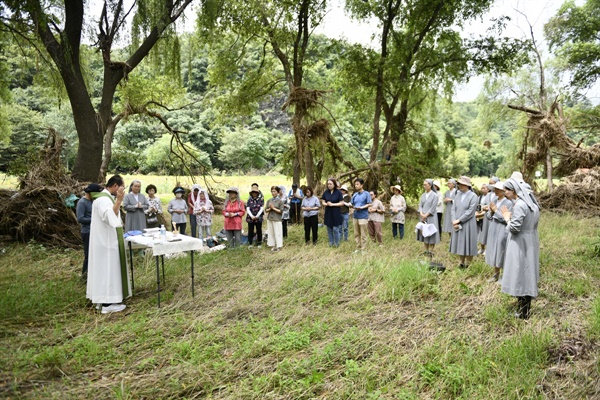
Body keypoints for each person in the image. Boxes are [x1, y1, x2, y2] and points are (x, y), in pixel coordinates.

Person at [86, 174, 130, 314]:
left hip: (105, 240)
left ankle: (106, 300)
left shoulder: (103, 198)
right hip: (106, 242)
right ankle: (107, 303)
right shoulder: (104, 199)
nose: (122, 190)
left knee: (106, 271)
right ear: (116, 186)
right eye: (122, 187)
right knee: (108, 271)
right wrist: (119, 200)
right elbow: (109, 216)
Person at [500, 174, 540, 319]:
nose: (505, 193)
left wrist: (506, 218)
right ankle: (523, 309)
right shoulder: (532, 204)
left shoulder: (520, 205)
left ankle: (523, 313)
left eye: (506, 190)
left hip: (520, 243)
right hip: (530, 240)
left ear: (514, 190)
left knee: (520, 273)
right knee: (526, 274)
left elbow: (515, 228)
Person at [484, 181, 513, 282]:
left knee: (501, 250)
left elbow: (506, 218)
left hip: (502, 228)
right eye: (495, 189)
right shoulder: (494, 200)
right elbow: (488, 216)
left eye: (497, 189)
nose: (495, 191)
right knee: (494, 250)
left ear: (503, 191)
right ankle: (495, 274)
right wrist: (491, 212)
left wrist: (496, 211)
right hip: (493, 227)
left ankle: (503, 276)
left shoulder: (509, 203)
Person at [449, 176, 479, 268]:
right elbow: (453, 208)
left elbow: (470, 211)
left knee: (469, 242)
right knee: (460, 242)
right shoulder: (457, 194)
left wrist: (459, 220)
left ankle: (468, 264)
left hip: (468, 223)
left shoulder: (473, 196)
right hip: (457, 223)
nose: (459, 186)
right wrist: (454, 220)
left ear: (467, 185)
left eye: (461, 184)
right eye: (459, 184)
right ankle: (461, 262)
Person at [77, 183, 103, 282]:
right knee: (88, 255)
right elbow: (80, 218)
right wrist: (94, 219)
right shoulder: (82, 202)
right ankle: (84, 276)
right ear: (90, 193)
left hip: (95, 231)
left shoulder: (94, 202)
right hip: (87, 232)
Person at [416, 179, 440, 256]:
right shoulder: (423, 195)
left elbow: (433, 207)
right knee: (424, 232)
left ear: (430, 185)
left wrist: (426, 215)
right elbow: (420, 205)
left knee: (431, 232)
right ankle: (426, 250)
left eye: (425, 185)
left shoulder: (434, 195)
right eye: (423, 185)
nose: (424, 186)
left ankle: (431, 251)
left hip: (431, 216)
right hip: (423, 216)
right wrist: (421, 213)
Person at [350, 178, 372, 252]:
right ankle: (358, 248)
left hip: (363, 216)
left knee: (363, 234)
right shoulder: (355, 194)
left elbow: (369, 204)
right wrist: (349, 205)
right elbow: (352, 203)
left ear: (362, 185)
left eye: (357, 184)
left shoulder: (366, 194)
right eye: (355, 184)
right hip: (355, 216)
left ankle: (364, 249)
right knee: (356, 233)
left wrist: (362, 207)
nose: (356, 186)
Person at [321, 178, 344, 247]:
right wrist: (326, 204)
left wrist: (333, 204)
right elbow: (323, 201)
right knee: (329, 229)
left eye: (330, 184)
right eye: (328, 184)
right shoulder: (326, 192)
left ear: (334, 184)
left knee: (335, 229)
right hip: (328, 212)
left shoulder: (338, 192)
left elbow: (342, 203)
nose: (329, 185)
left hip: (336, 212)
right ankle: (331, 243)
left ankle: (337, 243)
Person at [265, 186, 284, 251]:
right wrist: (270, 208)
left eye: (274, 191)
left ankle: (278, 246)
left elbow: (281, 211)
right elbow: (266, 210)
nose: (273, 193)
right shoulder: (269, 200)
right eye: (272, 191)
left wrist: (273, 208)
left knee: (277, 232)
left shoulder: (280, 201)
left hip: (277, 218)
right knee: (271, 232)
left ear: (278, 192)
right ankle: (272, 245)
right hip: (270, 218)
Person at [476, 183, 491, 255]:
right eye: (482, 188)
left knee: (486, 232)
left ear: (488, 189)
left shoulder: (490, 196)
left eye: (484, 188)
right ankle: (482, 248)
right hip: (480, 216)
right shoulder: (480, 197)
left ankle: (487, 249)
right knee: (481, 233)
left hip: (486, 216)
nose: (483, 189)